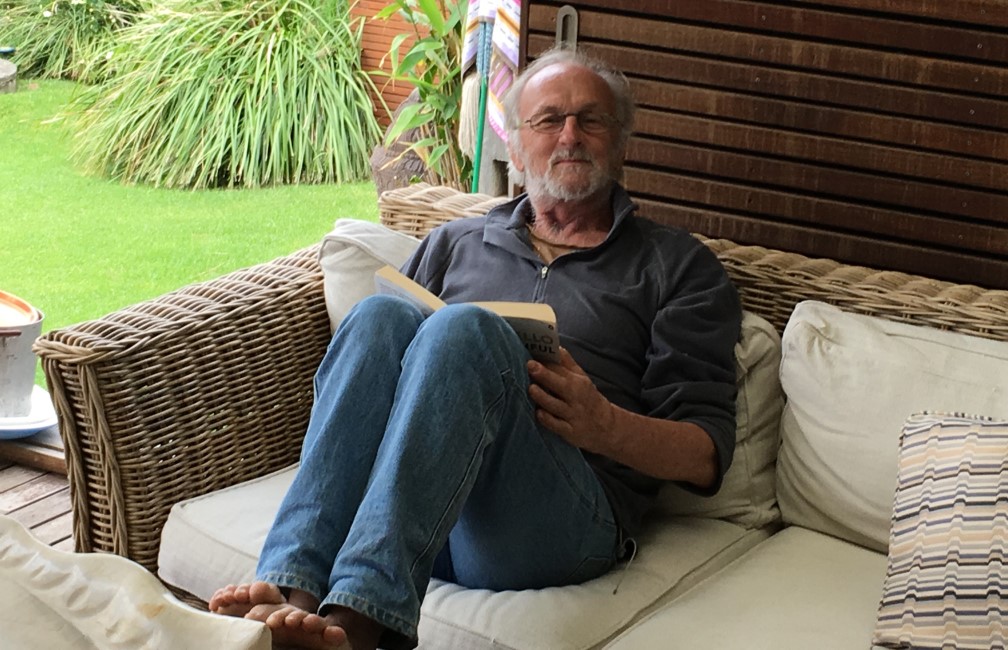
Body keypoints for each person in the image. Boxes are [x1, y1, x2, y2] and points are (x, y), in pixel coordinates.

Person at [208, 46, 742, 650]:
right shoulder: (456, 242)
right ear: (515, 146)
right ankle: (292, 589)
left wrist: (605, 425)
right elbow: (377, 377)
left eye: (591, 120)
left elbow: (705, 457)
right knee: (381, 315)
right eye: (547, 120)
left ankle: (359, 623)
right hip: (427, 514)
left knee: (465, 330)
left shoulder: (676, 267)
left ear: (621, 144)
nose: (569, 135)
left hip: (559, 519)